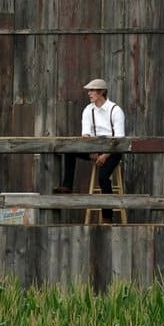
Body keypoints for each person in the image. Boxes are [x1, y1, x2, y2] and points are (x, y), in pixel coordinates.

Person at [54, 78, 126, 220]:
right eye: (89, 90)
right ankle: (67, 185)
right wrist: (91, 150)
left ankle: (107, 217)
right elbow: (85, 134)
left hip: (113, 150)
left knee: (103, 177)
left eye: (92, 90)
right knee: (70, 150)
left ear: (101, 92)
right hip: (94, 147)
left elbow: (119, 140)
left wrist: (105, 155)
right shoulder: (88, 110)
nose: (89, 93)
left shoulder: (115, 110)